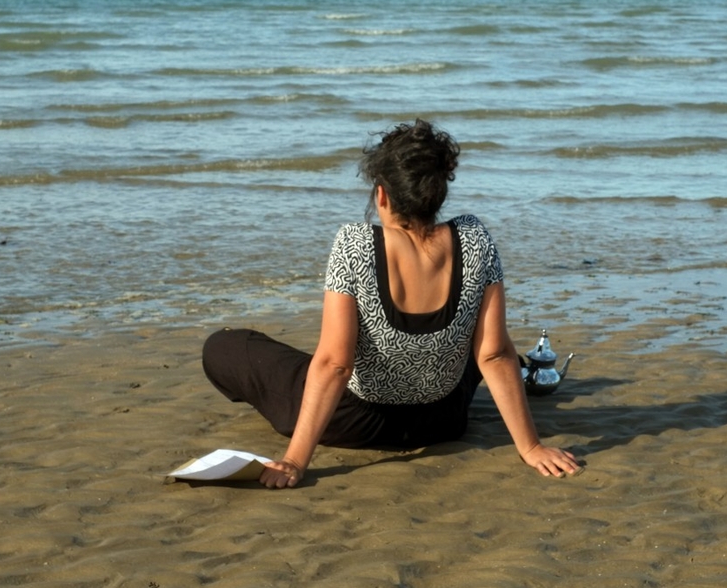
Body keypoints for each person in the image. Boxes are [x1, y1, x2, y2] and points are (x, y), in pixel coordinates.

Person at [203, 119, 580, 488]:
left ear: (381, 195)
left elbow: (336, 364)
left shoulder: (354, 244)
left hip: (357, 422)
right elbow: (493, 354)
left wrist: (295, 460)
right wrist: (531, 447)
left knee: (225, 346)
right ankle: (530, 373)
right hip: (444, 420)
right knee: (485, 345)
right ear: (438, 192)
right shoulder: (475, 238)